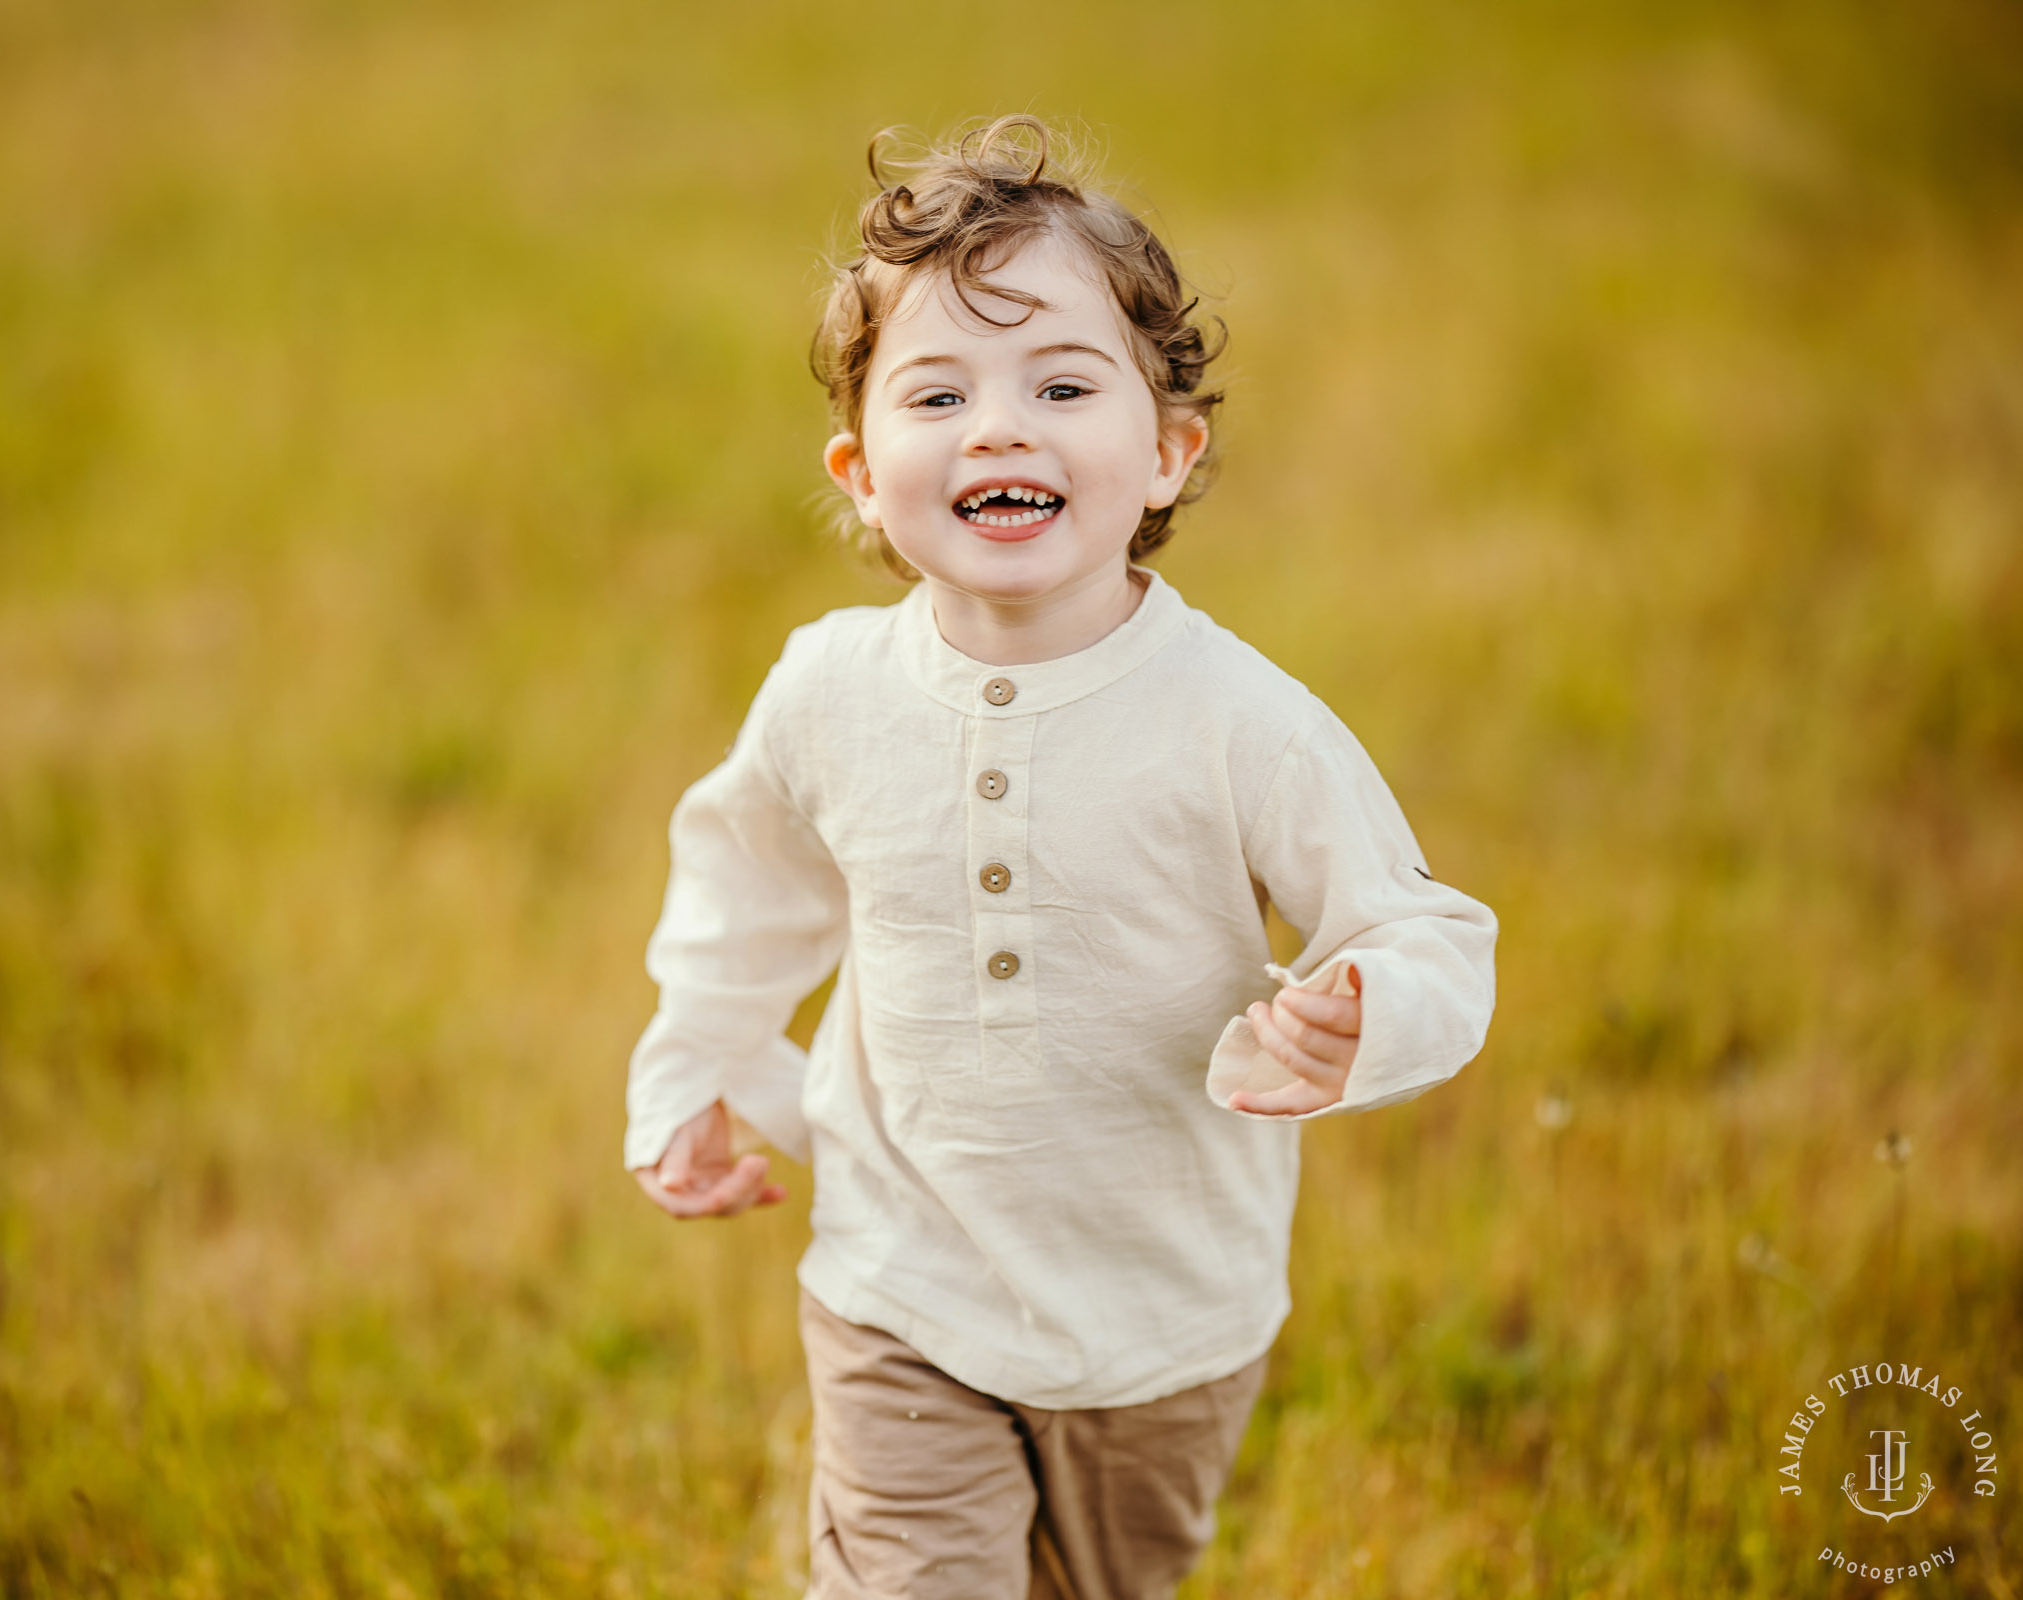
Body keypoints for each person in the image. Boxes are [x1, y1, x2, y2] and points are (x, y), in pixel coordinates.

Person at [621, 114, 1498, 1599]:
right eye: (939, 392)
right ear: (858, 469)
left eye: (1062, 385)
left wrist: (1366, 1006)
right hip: (901, 1284)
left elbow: (1420, 929)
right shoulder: (830, 691)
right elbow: (743, 887)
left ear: (1166, 454)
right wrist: (694, 1065)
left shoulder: (1238, 722)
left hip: (1165, 1315)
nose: (999, 428)